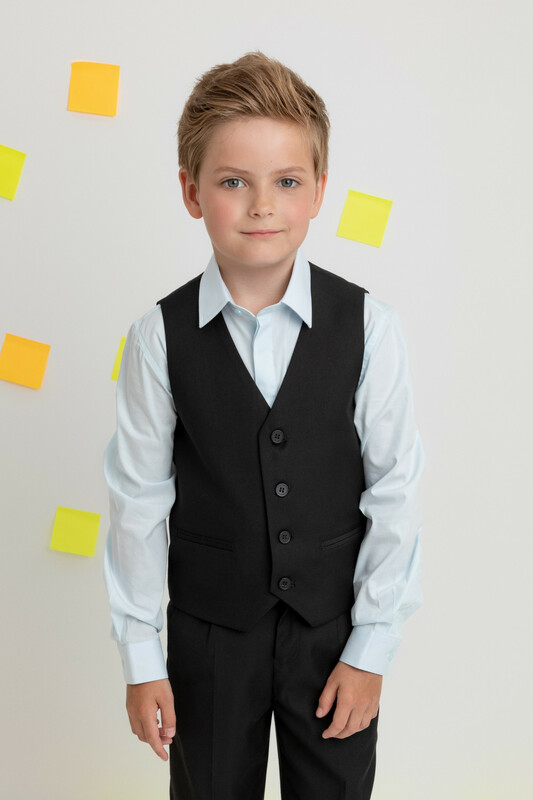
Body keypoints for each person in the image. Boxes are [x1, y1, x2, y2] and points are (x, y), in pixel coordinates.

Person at [103, 50, 425, 800]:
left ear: (318, 191)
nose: (261, 206)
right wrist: (141, 659)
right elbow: (138, 500)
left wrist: (372, 646)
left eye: (286, 181)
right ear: (191, 192)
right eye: (232, 182)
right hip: (210, 635)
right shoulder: (157, 337)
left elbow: (394, 491)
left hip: (333, 633)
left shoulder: (369, 326)